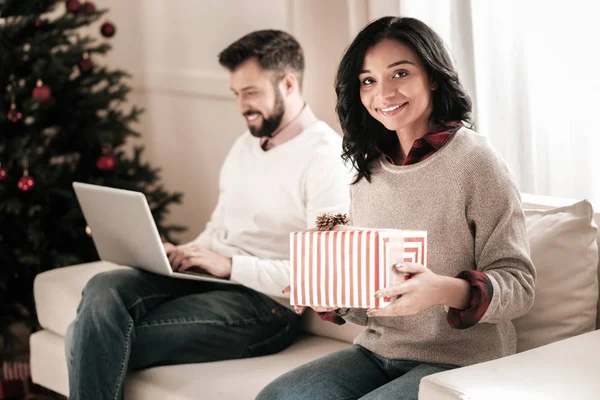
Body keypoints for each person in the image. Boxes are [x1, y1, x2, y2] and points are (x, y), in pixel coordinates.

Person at [257, 17, 536, 400]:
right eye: (368, 80)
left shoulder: (477, 162)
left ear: (433, 77)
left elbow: (519, 286)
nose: (383, 92)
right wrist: (333, 299)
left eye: (400, 73)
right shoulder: (368, 170)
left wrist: (442, 290)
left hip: (462, 359)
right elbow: (370, 296)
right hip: (376, 350)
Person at [65, 30, 352, 400]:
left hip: (265, 307)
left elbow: (322, 273)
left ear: (288, 83)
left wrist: (231, 266)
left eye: (250, 92)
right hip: (213, 280)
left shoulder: (325, 158)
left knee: (84, 336)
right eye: (236, 94)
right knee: (104, 286)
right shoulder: (246, 144)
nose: (240, 106)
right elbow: (220, 226)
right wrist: (184, 253)